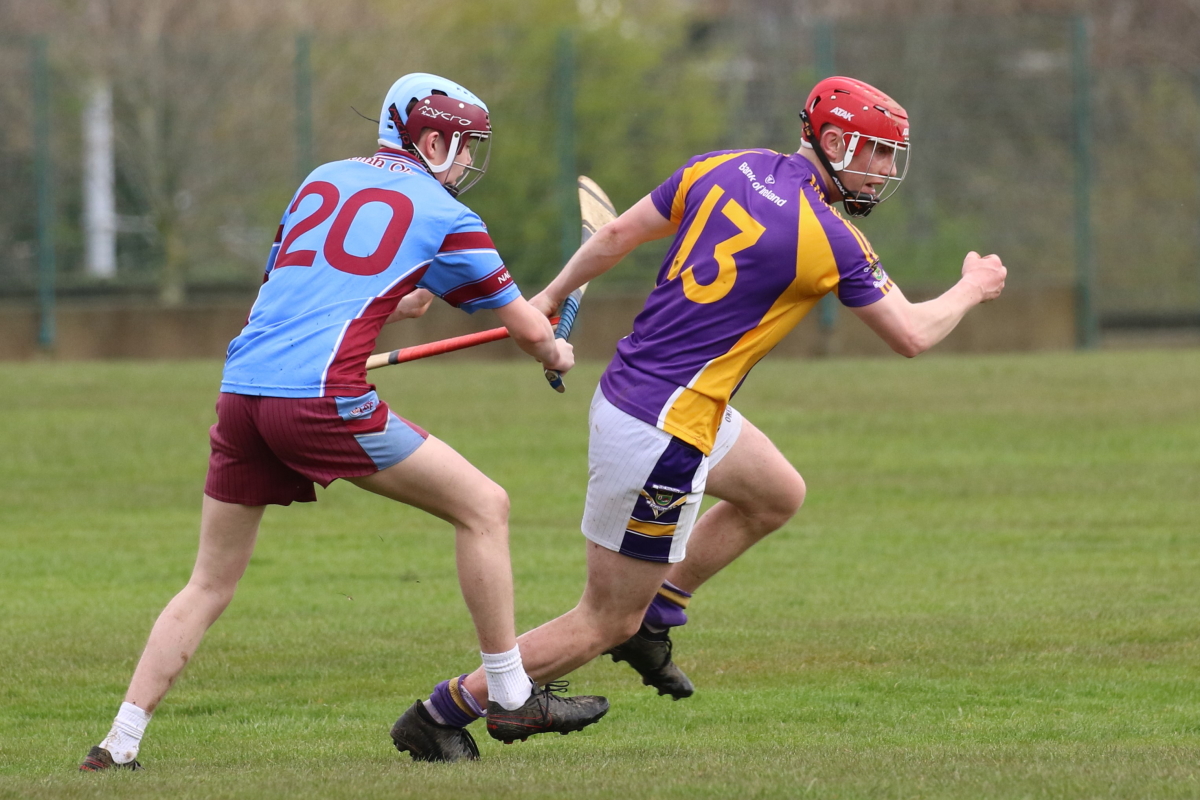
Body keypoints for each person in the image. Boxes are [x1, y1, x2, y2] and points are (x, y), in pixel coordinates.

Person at [400, 75, 1007, 757]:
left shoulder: (722, 167)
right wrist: (972, 287)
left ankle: (661, 607)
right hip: (664, 434)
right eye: (878, 153)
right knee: (602, 619)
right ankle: (443, 710)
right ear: (833, 142)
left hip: (645, 395)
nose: (886, 170)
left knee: (776, 493)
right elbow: (913, 334)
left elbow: (620, 234)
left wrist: (548, 295)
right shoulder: (830, 238)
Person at [79, 72, 608, 772]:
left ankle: (119, 743)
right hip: (321, 399)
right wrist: (555, 346)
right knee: (485, 506)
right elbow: (529, 332)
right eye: (463, 145)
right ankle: (511, 694)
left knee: (208, 581)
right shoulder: (447, 215)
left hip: (242, 393)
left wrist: (408, 304)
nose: (469, 161)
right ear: (430, 137)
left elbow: (331, 290)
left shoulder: (323, 178)